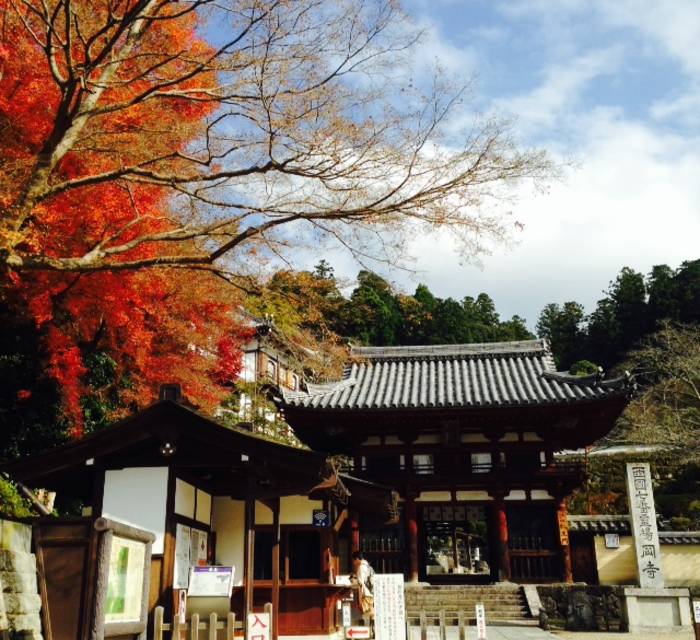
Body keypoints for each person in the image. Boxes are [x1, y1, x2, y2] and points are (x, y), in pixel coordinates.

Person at [351, 551, 375, 625]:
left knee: (363, 612)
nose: (354, 563)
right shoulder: (369, 567)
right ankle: (372, 630)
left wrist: (360, 598)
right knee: (372, 613)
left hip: (366, 594)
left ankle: (363, 631)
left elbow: (360, 584)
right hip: (372, 592)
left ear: (357, 559)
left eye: (354, 560)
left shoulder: (361, 567)